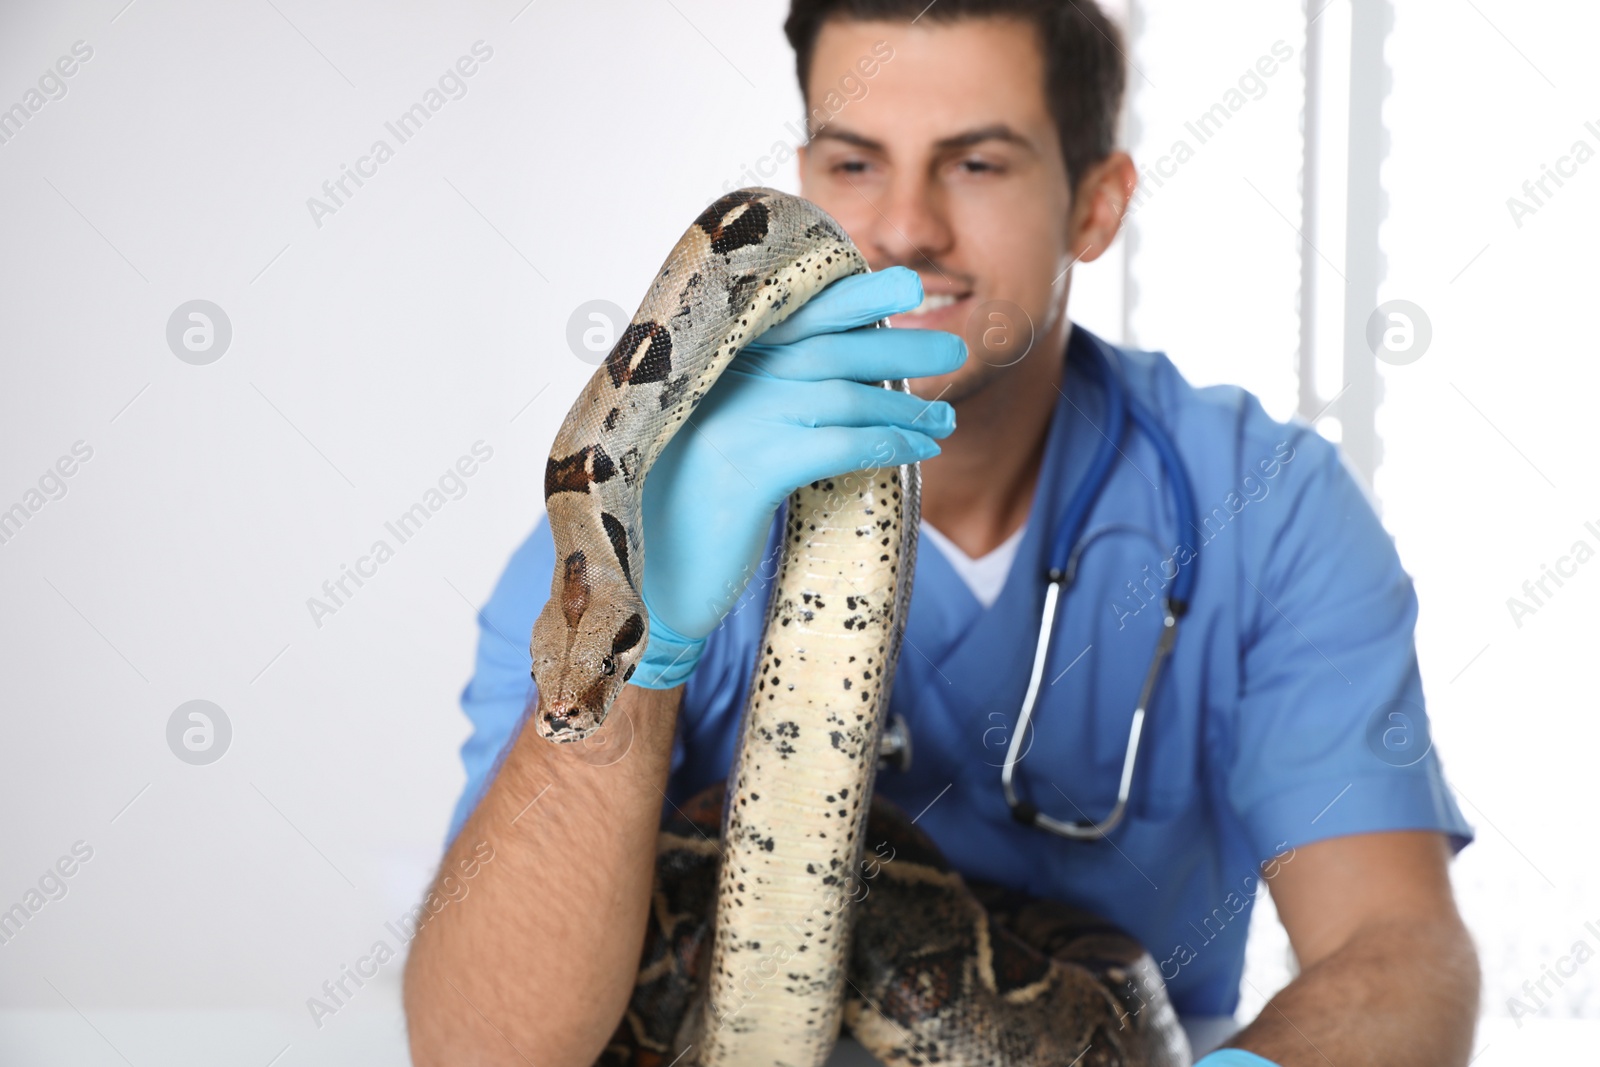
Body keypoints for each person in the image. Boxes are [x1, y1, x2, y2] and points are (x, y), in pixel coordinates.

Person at [403, 2, 1481, 1064]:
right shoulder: (629, 532)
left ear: (1096, 206)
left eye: (977, 163)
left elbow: (1398, 946)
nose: (906, 226)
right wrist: (643, 667)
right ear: (804, 176)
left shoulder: (1263, 504)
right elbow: (475, 1046)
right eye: (855, 163)